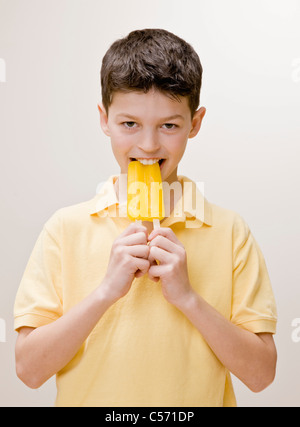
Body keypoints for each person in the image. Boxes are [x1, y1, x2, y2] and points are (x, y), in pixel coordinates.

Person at [14, 29, 277, 407]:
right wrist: (106, 291)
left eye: (169, 125)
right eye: (129, 124)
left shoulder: (230, 232)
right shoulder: (64, 229)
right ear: (104, 119)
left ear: (195, 123)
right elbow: (29, 370)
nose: (149, 144)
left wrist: (187, 297)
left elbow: (261, 374)